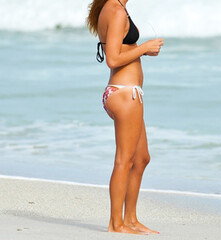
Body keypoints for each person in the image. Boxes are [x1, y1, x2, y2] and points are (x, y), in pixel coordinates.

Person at [86, 0, 164, 234]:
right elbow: (112, 59)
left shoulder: (114, 8)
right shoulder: (116, 10)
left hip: (127, 93)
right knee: (124, 160)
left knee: (141, 158)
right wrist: (144, 48)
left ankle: (130, 219)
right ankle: (115, 223)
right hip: (124, 93)